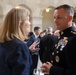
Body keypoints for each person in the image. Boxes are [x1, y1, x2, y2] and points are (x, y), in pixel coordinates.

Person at [0, 6, 39, 75]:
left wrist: (27, 52)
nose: (30, 24)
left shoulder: (3, 42)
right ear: (20, 24)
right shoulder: (20, 46)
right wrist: (24, 51)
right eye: (28, 20)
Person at [41, 4, 76, 75]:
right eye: (54, 17)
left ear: (69, 18)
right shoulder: (62, 37)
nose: (55, 21)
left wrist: (51, 69)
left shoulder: (73, 39)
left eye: (59, 18)